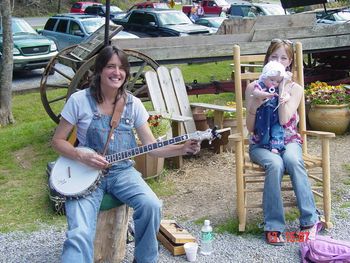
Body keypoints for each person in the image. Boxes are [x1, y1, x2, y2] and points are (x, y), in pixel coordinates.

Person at [51, 45, 201, 263]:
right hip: (85, 173)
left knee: (152, 205)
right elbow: (57, 142)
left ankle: (145, 259)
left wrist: (182, 148)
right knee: (80, 231)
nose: (117, 72)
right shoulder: (79, 100)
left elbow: (152, 147)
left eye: (121, 68)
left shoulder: (133, 104)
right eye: (111, 66)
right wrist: (80, 155)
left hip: (122, 172)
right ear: (99, 70)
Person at [245, 39, 319, 246]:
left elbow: (285, 120)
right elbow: (250, 128)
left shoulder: (295, 89)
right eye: (274, 57)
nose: (278, 60)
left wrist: (283, 90)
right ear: (267, 60)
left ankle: (310, 220)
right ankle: (273, 226)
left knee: (294, 161)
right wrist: (255, 103)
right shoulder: (254, 87)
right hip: (261, 144)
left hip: (289, 140)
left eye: (283, 58)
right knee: (275, 164)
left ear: (290, 63)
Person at [251, 60, 290, 154]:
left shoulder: (278, 88)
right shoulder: (261, 85)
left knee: (277, 131)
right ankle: (265, 144)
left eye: (277, 81)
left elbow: (287, 95)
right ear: (264, 77)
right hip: (264, 115)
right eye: (272, 80)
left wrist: (285, 98)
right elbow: (255, 92)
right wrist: (264, 94)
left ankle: (276, 146)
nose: (274, 83)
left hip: (275, 116)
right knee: (263, 130)